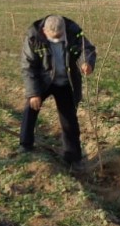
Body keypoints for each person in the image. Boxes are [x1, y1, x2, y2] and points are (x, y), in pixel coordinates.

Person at [19, 14, 97, 166]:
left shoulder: (74, 32)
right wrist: (34, 93)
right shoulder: (33, 37)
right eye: (52, 37)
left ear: (64, 31)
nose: (56, 39)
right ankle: (25, 145)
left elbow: (86, 48)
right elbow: (28, 66)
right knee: (30, 108)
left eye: (59, 36)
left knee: (69, 120)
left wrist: (86, 62)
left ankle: (73, 157)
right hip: (43, 80)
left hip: (66, 81)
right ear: (44, 31)